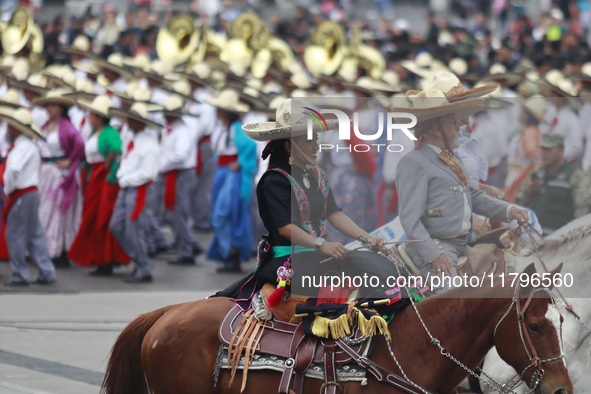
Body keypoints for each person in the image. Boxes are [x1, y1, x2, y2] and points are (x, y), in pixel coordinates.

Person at [218, 99, 398, 304]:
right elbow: (285, 227)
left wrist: (367, 238)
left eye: (317, 140)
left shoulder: (316, 175)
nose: (316, 146)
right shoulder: (274, 180)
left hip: (317, 254)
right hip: (289, 259)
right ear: (289, 146)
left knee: (375, 265)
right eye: (309, 141)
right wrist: (321, 244)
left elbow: (334, 214)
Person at [395, 89, 529, 282]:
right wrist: (434, 255)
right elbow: (410, 220)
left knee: (506, 271)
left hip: (461, 244)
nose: (458, 126)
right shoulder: (413, 162)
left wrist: (509, 210)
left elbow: (473, 196)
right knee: (453, 301)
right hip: (436, 247)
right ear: (434, 128)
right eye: (451, 121)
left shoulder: (451, 158)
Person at [68, 95, 130, 275]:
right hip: (95, 177)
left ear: (100, 116)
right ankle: (100, 258)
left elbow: (116, 148)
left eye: (92, 114)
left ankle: (107, 259)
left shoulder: (109, 132)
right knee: (93, 217)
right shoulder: (95, 132)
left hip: (103, 178)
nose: (89, 117)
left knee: (103, 216)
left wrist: (106, 166)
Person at [0, 108, 57, 286]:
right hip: (29, 192)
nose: (8, 129)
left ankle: (20, 274)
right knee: (34, 233)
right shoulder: (26, 145)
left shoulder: (22, 147)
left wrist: (7, 191)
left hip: (21, 193)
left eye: (11, 126)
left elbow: (13, 171)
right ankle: (46, 271)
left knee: (15, 234)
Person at [205, 89, 257, 273]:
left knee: (226, 214)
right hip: (222, 172)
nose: (216, 112)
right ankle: (228, 254)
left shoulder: (237, 128)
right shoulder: (222, 128)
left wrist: (241, 163)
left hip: (231, 176)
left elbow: (251, 145)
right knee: (222, 215)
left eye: (219, 109)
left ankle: (232, 253)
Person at [108, 103, 161, 283]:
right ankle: (139, 260)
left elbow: (148, 173)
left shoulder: (149, 145)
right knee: (116, 226)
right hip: (127, 188)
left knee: (133, 230)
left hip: (138, 190)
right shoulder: (133, 140)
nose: (129, 122)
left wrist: (125, 179)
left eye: (133, 119)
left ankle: (143, 267)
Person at [32, 89, 85, 267]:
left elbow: (79, 143)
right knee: (45, 211)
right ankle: (46, 249)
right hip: (47, 172)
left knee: (59, 214)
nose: (49, 108)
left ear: (61, 108)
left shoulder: (67, 127)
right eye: (48, 105)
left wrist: (70, 160)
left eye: (53, 105)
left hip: (61, 175)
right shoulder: (45, 126)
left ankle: (59, 251)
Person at [516, 134, 583, 235]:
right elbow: (518, 204)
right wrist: (528, 193)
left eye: (548, 149)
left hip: (560, 240)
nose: (543, 153)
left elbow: (582, 209)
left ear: (561, 150)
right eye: (542, 149)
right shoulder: (536, 173)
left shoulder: (574, 175)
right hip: (534, 238)